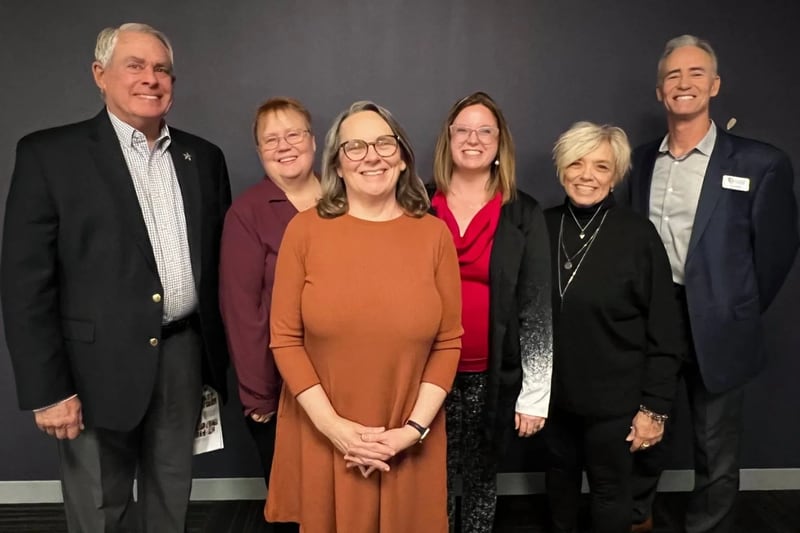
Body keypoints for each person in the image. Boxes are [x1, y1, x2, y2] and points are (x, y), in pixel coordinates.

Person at [0, 23, 231, 532]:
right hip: (91, 367)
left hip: (183, 355)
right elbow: (24, 284)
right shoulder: (49, 155)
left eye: (162, 68)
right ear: (99, 75)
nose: (151, 78)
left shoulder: (204, 158)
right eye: (136, 65)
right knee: (99, 507)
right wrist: (49, 390)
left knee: (172, 495)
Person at [622, 35, 799, 533]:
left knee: (715, 441)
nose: (684, 83)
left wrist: (734, 305)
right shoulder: (639, 163)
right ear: (660, 91)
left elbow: (776, 254)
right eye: (673, 76)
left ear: (714, 85)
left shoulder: (760, 164)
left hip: (720, 323)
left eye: (696, 73)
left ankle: (710, 526)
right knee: (642, 428)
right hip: (652, 319)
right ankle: (637, 517)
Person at [264, 100, 463, 532]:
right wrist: (334, 428)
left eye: (384, 144)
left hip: (409, 433)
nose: (371, 156)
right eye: (355, 147)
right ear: (336, 162)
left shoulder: (434, 235)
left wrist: (411, 431)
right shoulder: (305, 230)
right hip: (324, 431)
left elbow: (449, 343)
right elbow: (284, 338)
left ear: (404, 157)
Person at [544, 122, 682, 533]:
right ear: (562, 168)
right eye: (577, 163)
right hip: (552, 398)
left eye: (601, 167)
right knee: (559, 488)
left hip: (615, 399)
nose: (587, 175)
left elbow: (665, 329)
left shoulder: (639, 235)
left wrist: (654, 409)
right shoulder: (540, 225)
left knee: (610, 492)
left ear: (616, 174)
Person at [429, 91, 553, 533]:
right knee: (429, 478)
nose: (473, 139)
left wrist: (535, 394)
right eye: (463, 129)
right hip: (424, 374)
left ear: (500, 143)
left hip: (492, 373)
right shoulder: (419, 204)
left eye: (485, 131)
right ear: (449, 138)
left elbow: (536, 306)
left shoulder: (522, 211)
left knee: (481, 477)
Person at [219, 97, 319, 532]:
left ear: (313, 141)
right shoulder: (248, 212)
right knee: (294, 505)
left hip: (346, 381)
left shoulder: (344, 197)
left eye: (293, 134)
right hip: (280, 390)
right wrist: (258, 394)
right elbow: (242, 310)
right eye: (270, 139)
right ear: (259, 152)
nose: (284, 146)